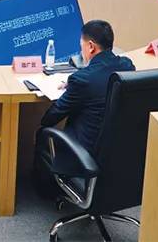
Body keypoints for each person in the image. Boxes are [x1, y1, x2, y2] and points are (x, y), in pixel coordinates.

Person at [34, 20, 135, 193]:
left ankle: (48, 192)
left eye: (81, 45)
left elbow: (50, 118)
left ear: (91, 47)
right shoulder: (126, 66)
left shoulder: (82, 80)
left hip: (86, 150)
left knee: (43, 133)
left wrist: (72, 88)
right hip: (117, 151)